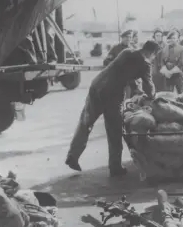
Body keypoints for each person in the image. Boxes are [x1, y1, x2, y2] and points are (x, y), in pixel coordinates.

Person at [65, 40, 159, 177]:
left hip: (97, 85)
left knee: (86, 121)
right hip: (112, 93)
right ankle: (115, 167)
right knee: (114, 129)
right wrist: (151, 96)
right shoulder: (145, 64)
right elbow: (149, 86)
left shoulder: (126, 52)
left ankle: (72, 156)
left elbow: (124, 71)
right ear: (152, 53)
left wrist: (137, 89)